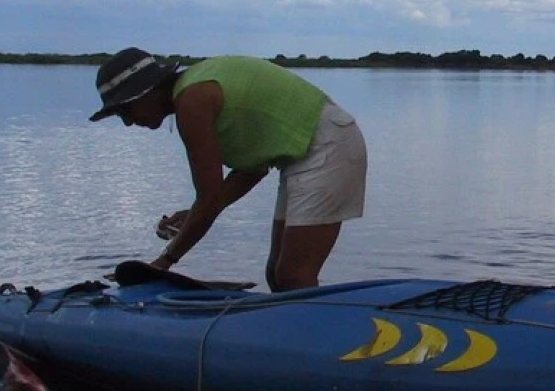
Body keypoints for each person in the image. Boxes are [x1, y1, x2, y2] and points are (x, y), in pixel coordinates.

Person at [89, 48, 367, 291]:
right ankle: (290, 338)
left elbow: (209, 198)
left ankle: (326, 346)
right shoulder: (194, 88)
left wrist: (165, 261)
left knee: (293, 276)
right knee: (276, 275)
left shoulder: (192, 102)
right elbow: (252, 170)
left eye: (125, 110)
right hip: (308, 152)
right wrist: (194, 214)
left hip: (328, 146)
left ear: (145, 93)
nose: (127, 122)